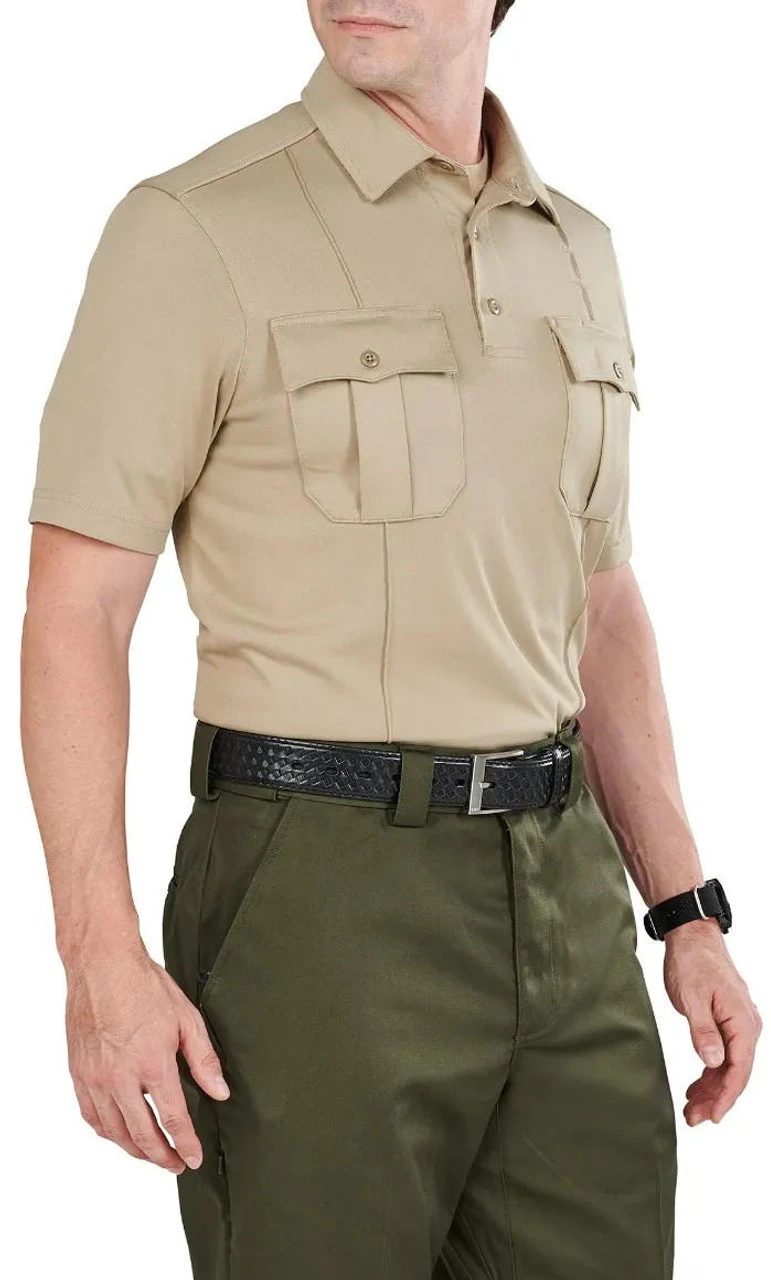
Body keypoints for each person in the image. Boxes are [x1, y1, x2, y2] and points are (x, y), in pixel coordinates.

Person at [20, 2, 762, 1277]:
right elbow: (76, 607)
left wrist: (685, 909)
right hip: (318, 894)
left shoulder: (576, 249)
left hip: (568, 888)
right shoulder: (195, 227)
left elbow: (600, 602)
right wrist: (97, 954)